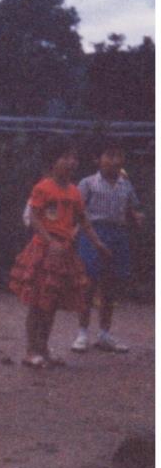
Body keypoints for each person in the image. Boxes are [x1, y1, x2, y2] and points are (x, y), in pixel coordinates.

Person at [9, 140, 110, 368]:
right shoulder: (43, 188)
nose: (71, 162)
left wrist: (98, 243)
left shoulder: (75, 192)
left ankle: (43, 348)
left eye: (74, 157)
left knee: (51, 304)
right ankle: (30, 351)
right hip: (43, 252)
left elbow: (83, 220)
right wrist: (49, 241)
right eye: (65, 157)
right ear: (52, 162)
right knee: (36, 303)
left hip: (64, 253)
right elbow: (34, 217)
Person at [72, 139, 141, 354]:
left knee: (110, 286)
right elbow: (77, 212)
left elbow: (132, 209)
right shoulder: (87, 183)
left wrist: (136, 217)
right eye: (110, 155)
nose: (115, 160)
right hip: (92, 233)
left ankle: (104, 334)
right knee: (88, 284)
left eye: (119, 155)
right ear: (97, 159)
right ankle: (82, 333)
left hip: (118, 235)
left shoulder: (126, 183)